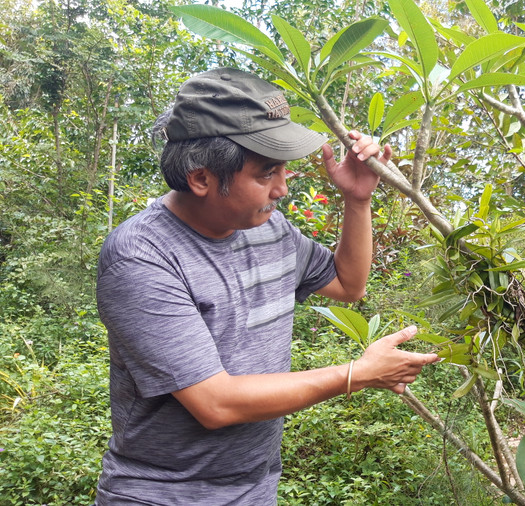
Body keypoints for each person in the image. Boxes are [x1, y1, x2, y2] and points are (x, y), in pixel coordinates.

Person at [93, 67, 439, 504]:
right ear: (201, 178)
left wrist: (358, 199)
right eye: (265, 173)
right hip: (164, 495)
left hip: (255, 489)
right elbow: (215, 403)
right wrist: (357, 374)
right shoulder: (141, 256)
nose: (281, 190)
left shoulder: (268, 229)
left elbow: (349, 284)